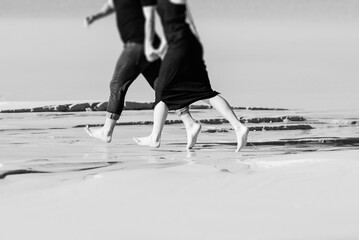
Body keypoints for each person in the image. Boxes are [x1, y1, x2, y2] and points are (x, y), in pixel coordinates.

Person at [134, 0, 249, 152]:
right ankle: (237, 127)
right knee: (205, 92)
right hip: (190, 44)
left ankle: (155, 137)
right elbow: (188, 23)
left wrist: (149, 47)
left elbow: (150, 21)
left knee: (162, 90)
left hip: (178, 46)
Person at [83, 0, 199, 147]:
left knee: (117, 84)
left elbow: (149, 17)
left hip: (138, 44)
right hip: (143, 43)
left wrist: (149, 45)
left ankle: (107, 131)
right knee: (161, 86)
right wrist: (95, 16)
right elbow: (111, 5)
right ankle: (189, 123)